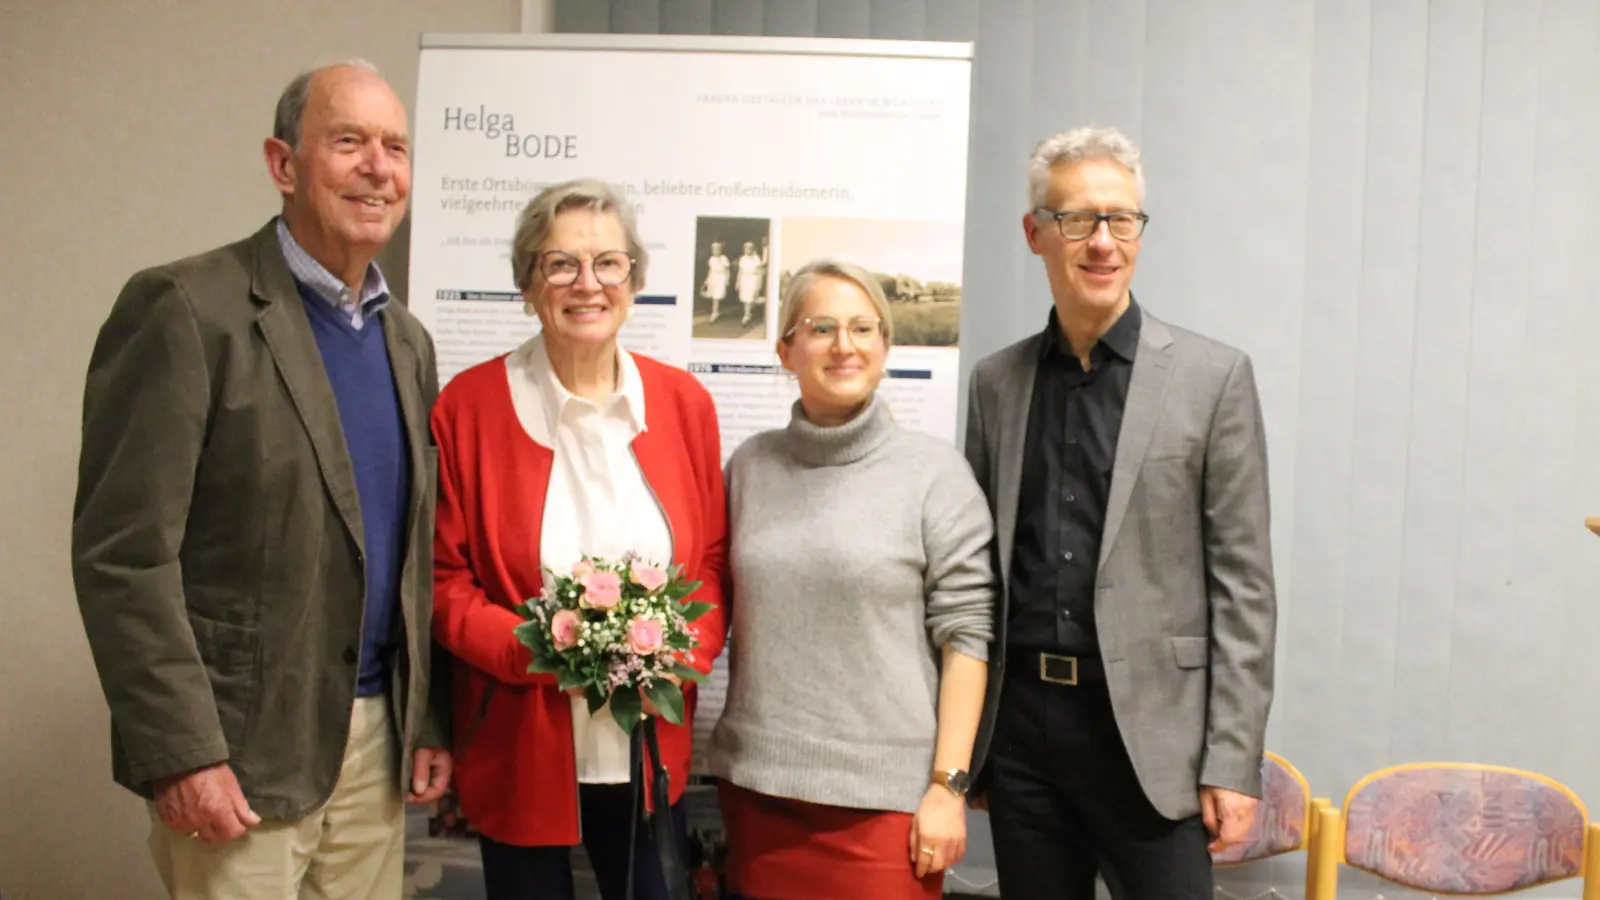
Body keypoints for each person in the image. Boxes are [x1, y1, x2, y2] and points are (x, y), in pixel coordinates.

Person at [70, 60, 451, 899]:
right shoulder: (186, 309)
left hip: (374, 751)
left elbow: (409, 553)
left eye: (395, 147)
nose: (378, 168)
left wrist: (423, 717)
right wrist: (184, 752)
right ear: (284, 164)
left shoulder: (407, 343)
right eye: (348, 142)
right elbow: (122, 558)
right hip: (240, 753)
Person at [963, 124, 1278, 899]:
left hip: (1151, 738)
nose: (1102, 241)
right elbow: (976, 574)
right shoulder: (996, 384)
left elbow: (1245, 590)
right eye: (1077, 219)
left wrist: (1231, 761)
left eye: (1121, 219)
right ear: (1036, 233)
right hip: (1024, 735)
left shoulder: (1213, 379)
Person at [430, 178, 728, 900]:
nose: (586, 284)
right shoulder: (467, 407)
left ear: (634, 280)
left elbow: (712, 564)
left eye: (608, 263)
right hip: (519, 744)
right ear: (528, 285)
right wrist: (544, 651)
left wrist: (681, 647)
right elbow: (442, 582)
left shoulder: (684, 404)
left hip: (649, 745)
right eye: (559, 264)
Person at [711, 259, 995, 899]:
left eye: (864, 328)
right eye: (822, 327)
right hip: (760, 795)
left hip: (887, 807)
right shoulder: (750, 467)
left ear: (886, 346)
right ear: (786, 348)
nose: (845, 345)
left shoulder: (933, 475)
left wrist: (947, 788)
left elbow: (969, 640)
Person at [734, 240, 766, 326]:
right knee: (746, 298)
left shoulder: (756, 258)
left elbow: (760, 271)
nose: (747, 250)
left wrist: (758, 281)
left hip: (752, 279)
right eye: (745, 249)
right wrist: (738, 281)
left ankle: (747, 315)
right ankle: (748, 313)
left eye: (749, 249)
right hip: (744, 279)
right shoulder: (742, 259)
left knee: (750, 297)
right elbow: (740, 271)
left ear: (752, 249)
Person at [703, 240, 730, 323]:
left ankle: (715, 312)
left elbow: (727, 270)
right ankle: (715, 311)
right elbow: (710, 270)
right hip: (713, 278)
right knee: (714, 296)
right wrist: (707, 280)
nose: (715, 251)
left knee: (717, 296)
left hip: (721, 278)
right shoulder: (711, 259)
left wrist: (727, 279)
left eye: (717, 249)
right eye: (714, 249)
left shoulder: (724, 258)